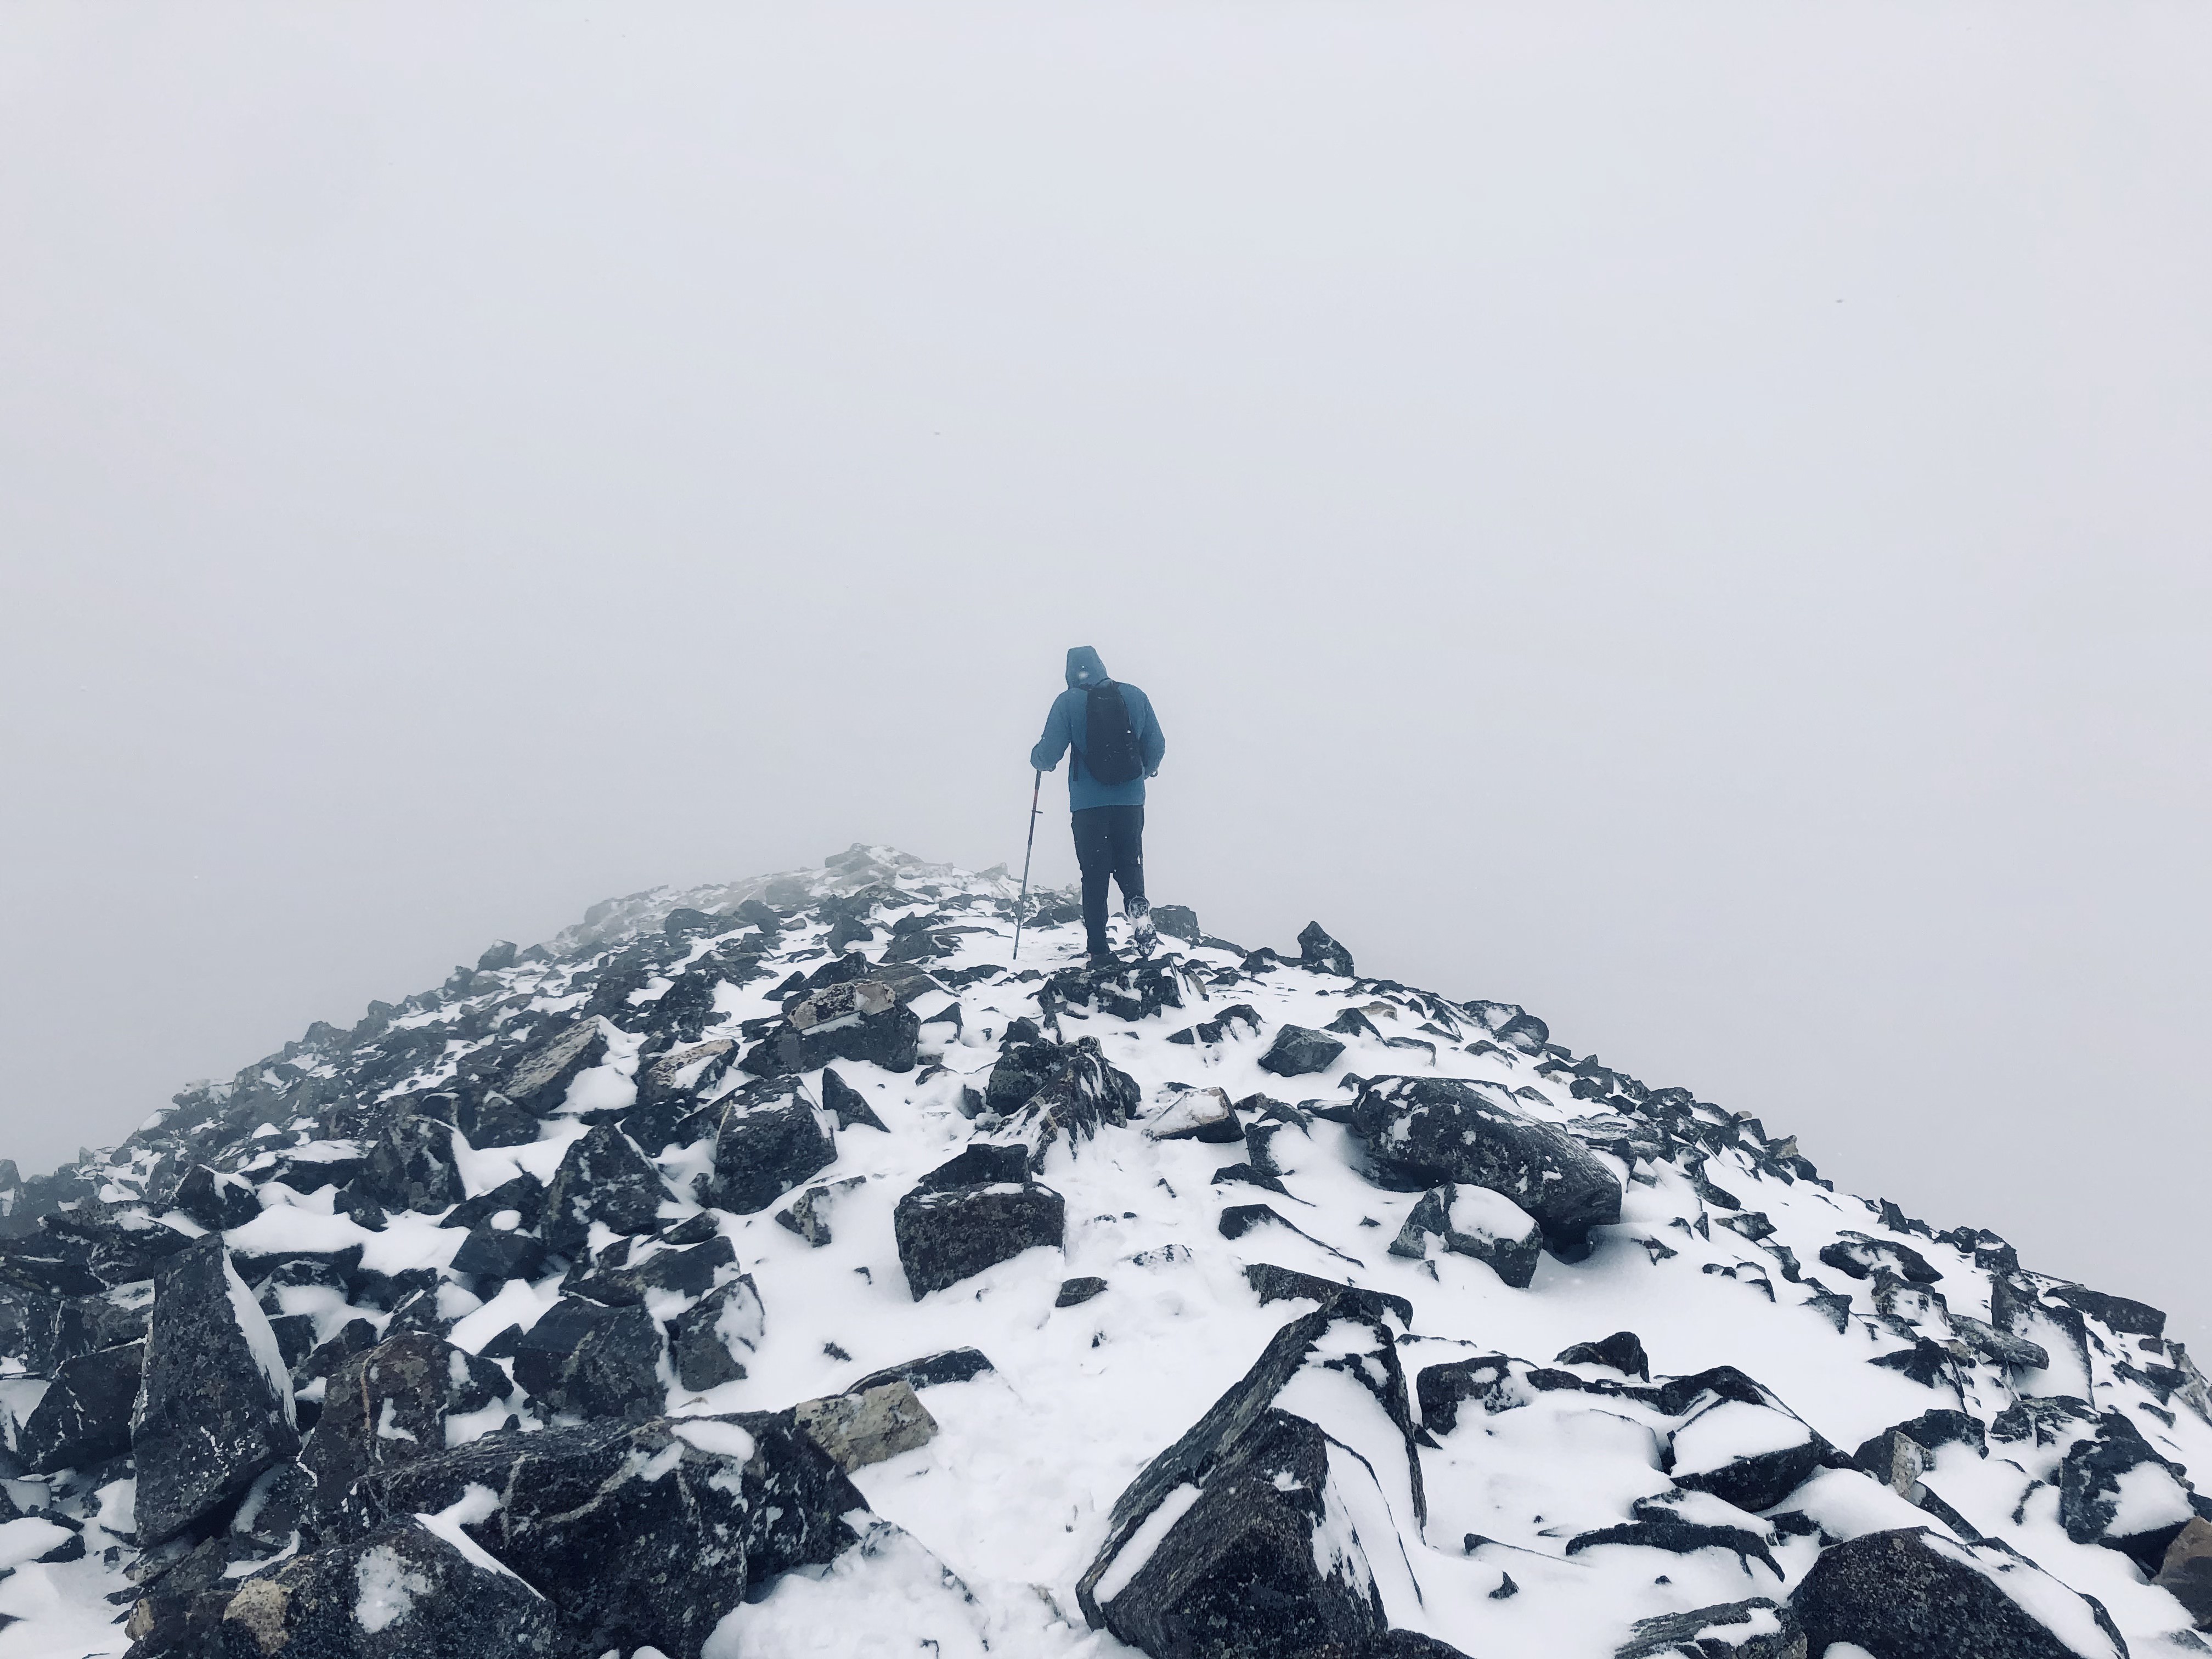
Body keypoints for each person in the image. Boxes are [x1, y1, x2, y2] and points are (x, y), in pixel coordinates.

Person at [1029, 647, 1166, 964]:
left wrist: (1037, 759)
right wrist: (1142, 773)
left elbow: (1048, 754)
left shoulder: (1069, 702)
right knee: (1130, 862)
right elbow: (1157, 745)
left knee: (1094, 873)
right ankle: (1136, 904)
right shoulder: (1134, 695)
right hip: (1130, 801)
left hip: (1088, 805)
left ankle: (1099, 947)